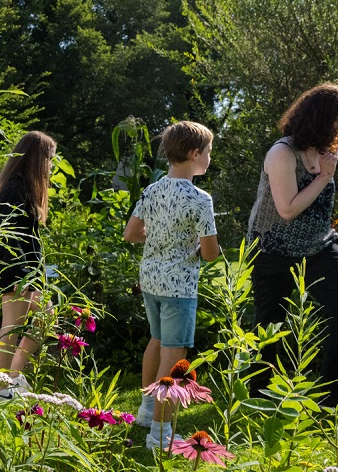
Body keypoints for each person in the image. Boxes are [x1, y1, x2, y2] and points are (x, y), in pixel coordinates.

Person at [246, 82, 338, 414]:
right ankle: (260, 396)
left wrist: (323, 173)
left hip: (319, 246)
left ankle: (334, 396)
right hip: (273, 248)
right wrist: (321, 178)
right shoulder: (281, 153)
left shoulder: (322, 150)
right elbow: (286, 208)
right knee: (270, 324)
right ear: (317, 118)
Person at [123, 121, 220, 450]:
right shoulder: (200, 199)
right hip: (178, 287)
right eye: (208, 152)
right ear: (194, 154)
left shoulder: (152, 190)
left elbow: (132, 234)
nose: (209, 157)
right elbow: (209, 253)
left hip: (150, 279)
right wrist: (203, 248)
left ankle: (147, 411)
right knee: (174, 354)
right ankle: (161, 434)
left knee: (157, 340)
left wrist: (161, 238)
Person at [0, 131, 57, 399]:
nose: (51, 166)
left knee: (46, 317)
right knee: (12, 326)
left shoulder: (25, 186)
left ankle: (14, 377)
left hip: (29, 271)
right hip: (14, 269)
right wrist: (21, 277)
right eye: (49, 159)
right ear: (37, 159)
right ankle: (1, 387)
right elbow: (8, 237)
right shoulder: (13, 188)